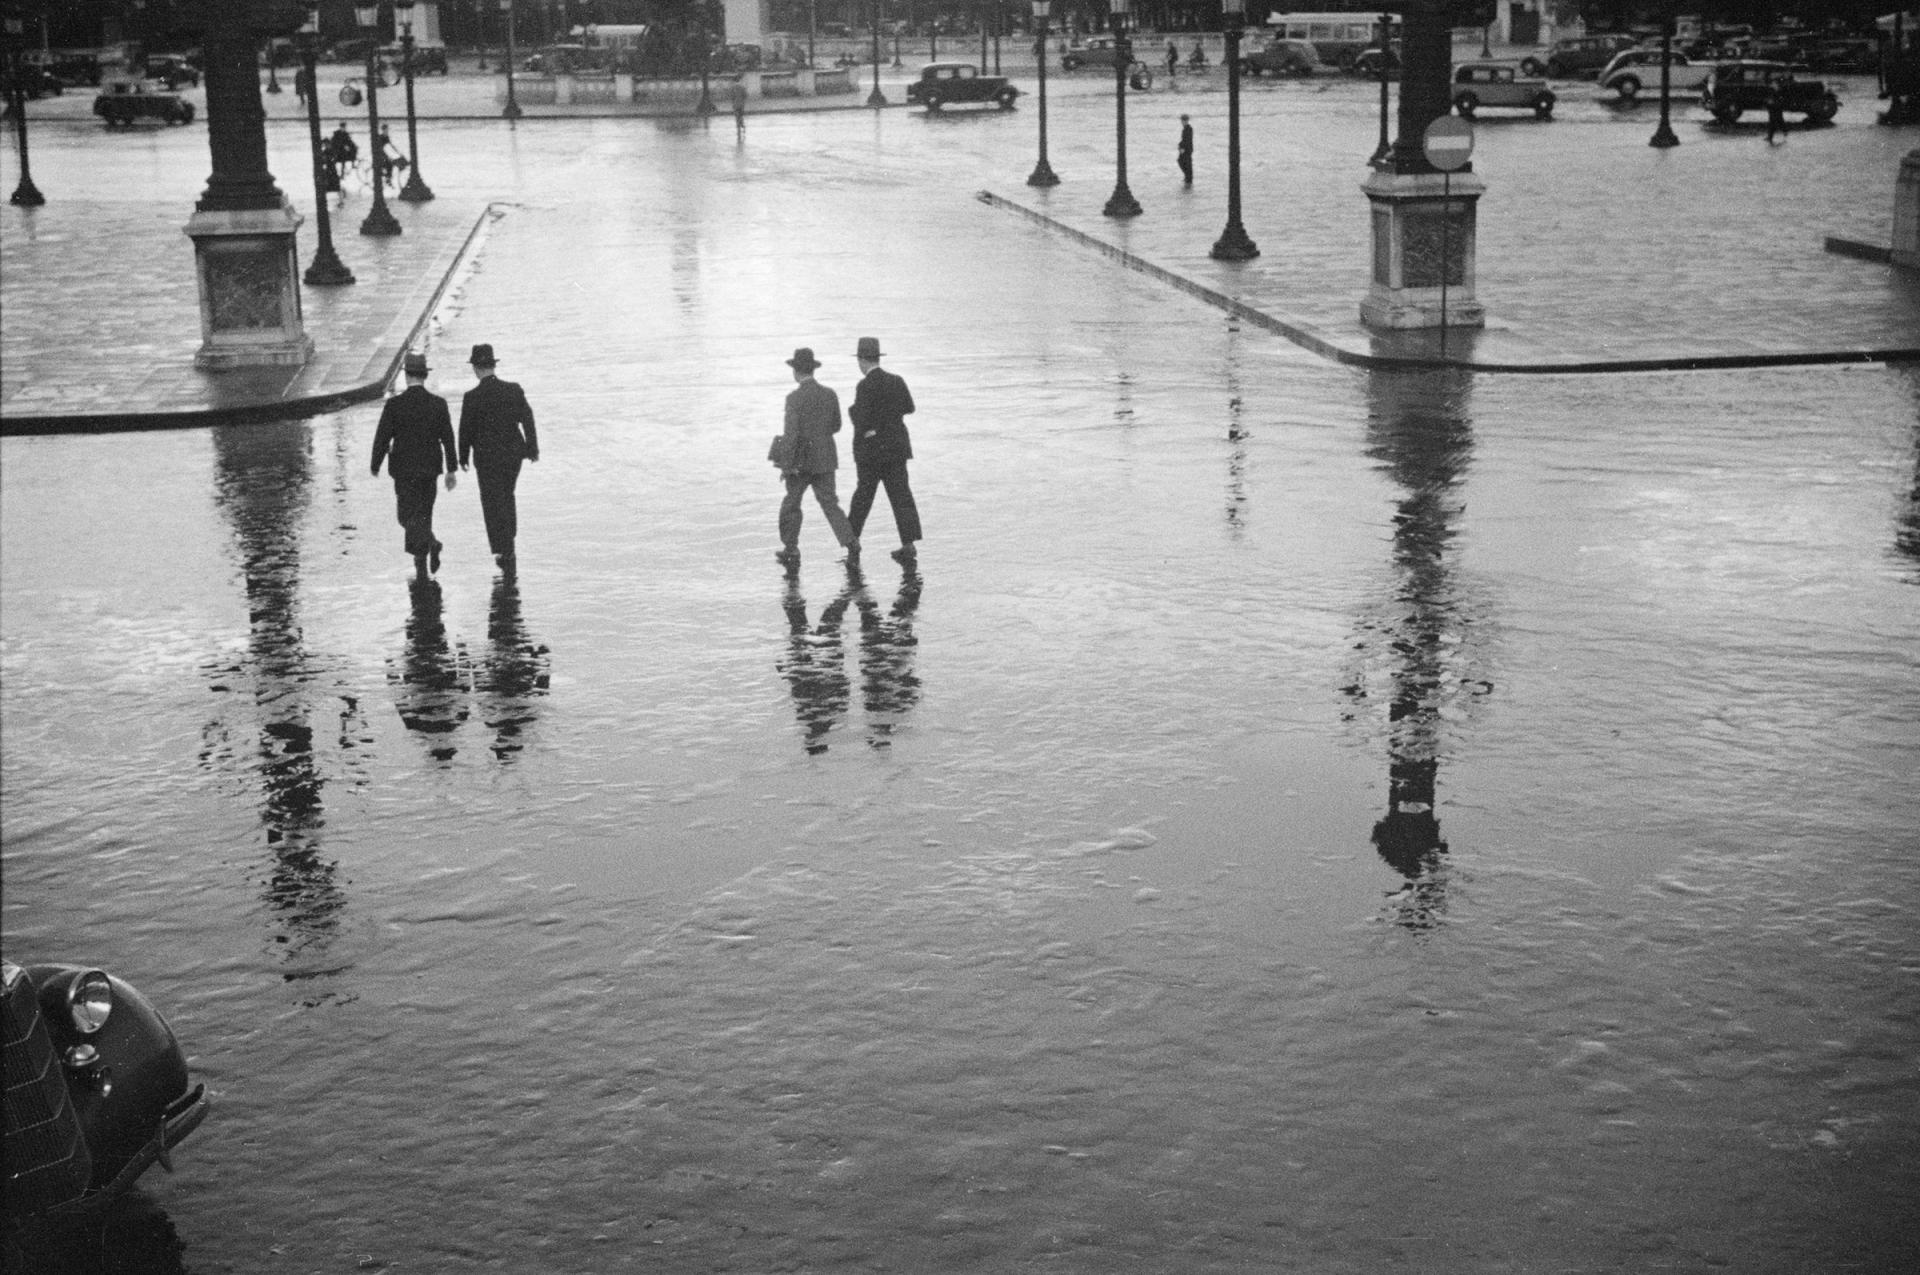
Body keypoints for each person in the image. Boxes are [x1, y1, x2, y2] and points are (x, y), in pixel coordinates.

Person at [370, 351, 458, 580]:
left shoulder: (394, 405)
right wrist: (451, 469)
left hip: (404, 470)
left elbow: (382, 437)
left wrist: (375, 463)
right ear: (424, 376)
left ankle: (429, 548)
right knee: (424, 514)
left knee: (406, 516)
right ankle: (422, 560)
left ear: (407, 376)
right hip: (430, 469)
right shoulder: (438, 404)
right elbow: (448, 438)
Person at [458, 343, 540, 570]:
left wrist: (462, 456)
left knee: (491, 501)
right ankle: (509, 541)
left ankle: (503, 548)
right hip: (513, 455)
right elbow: (527, 418)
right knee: (507, 494)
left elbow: (465, 430)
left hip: (486, 459)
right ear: (493, 365)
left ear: (476, 368)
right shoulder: (513, 389)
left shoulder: (472, 397)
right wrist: (532, 448)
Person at [775, 347, 858, 568]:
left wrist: (786, 466)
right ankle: (851, 543)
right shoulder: (829, 394)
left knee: (791, 505)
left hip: (800, 463)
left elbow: (791, 435)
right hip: (825, 459)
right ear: (813, 369)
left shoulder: (793, 398)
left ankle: (791, 549)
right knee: (830, 504)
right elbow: (837, 426)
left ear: (795, 371)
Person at [846, 336, 922, 566]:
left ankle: (852, 544)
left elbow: (861, 421)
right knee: (901, 496)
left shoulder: (864, 386)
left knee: (863, 498)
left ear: (861, 360)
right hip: (897, 448)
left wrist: (853, 412)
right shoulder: (897, 380)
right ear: (877, 358)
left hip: (871, 453)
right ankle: (908, 545)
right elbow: (910, 407)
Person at [324, 122, 357, 193]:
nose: (343, 128)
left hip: (343, 150)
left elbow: (349, 142)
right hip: (338, 151)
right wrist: (343, 146)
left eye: (344, 127)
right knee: (343, 157)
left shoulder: (345, 134)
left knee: (353, 149)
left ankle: (353, 164)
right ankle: (341, 174)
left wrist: (353, 146)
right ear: (341, 127)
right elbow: (334, 142)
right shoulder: (337, 134)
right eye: (342, 127)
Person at [1765, 76, 1787, 142]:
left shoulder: (1780, 91)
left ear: (1777, 84)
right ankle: (1770, 136)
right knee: (1774, 121)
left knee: (1776, 121)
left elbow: (1781, 100)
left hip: (1777, 108)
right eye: (1772, 83)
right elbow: (1768, 98)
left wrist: (1773, 102)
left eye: (1774, 83)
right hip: (1772, 108)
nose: (1772, 85)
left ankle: (1771, 136)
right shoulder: (1771, 91)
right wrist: (1768, 102)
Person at [1177, 114, 1194, 186]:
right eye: (1182, 120)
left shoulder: (1188, 129)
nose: (1182, 122)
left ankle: (1188, 178)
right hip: (1186, 148)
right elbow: (1184, 140)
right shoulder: (1185, 128)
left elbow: (1187, 140)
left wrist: (1182, 148)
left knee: (1184, 162)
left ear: (1186, 121)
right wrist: (1179, 145)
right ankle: (1187, 177)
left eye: (1183, 120)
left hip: (1186, 149)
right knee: (1183, 162)